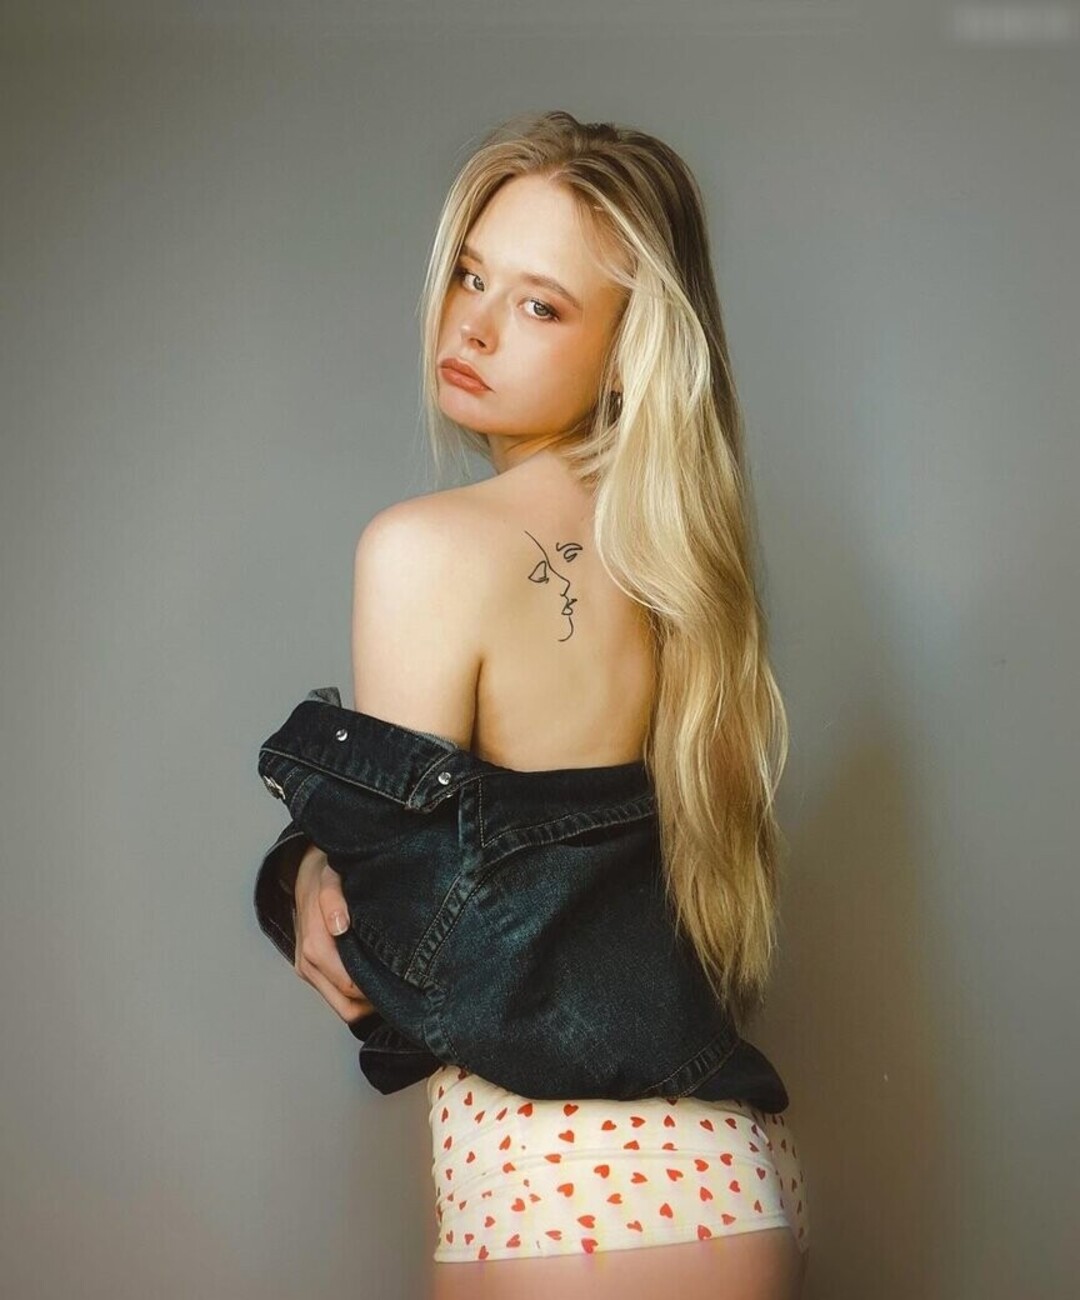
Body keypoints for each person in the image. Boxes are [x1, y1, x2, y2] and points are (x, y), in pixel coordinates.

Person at [285, 110, 809, 1299]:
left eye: (540, 304)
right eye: (471, 275)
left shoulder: (426, 548)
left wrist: (307, 873)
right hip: (731, 1176)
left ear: (628, 352)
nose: (470, 324)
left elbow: (410, 961)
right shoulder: (685, 571)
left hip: (564, 1193)